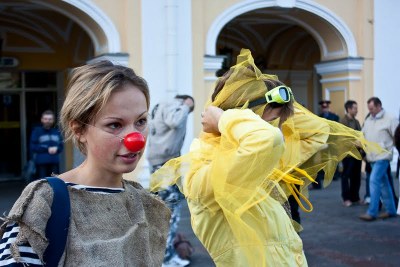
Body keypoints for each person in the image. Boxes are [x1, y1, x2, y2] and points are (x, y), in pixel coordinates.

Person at [151, 49, 376, 266]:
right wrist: (225, 118)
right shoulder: (207, 167)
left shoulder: (256, 156)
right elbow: (266, 139)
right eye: (268, 122)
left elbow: (317, 134)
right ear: (242, 115)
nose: (277, 130)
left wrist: (280, 106)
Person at [0, 60, 170, 266]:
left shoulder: (147, 204)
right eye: (115, 125)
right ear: (79, 130)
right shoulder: (45, 201)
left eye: (141, 121)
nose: (136, 139)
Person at [146, 94, 195, 267]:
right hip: (165, 164)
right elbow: (175, 121)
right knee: (170, 212)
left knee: (163, 210)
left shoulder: (161, 105)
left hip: (161, 163)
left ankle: (163, 256)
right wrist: (187, 106)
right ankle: (166, 260)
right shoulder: (174, 105)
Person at [359, 97, 399, 221]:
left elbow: (398, 135)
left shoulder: (391, 118)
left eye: (372, 109)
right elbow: (362, 135)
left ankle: (372, 212)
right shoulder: (369, 120)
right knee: (383, 183)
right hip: (371, 157)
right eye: (369, 109)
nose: (370, 111)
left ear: (378, 106)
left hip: (383, 156)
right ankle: (391, 210)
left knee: (373, 180)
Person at [313, 100, 340, 188]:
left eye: (326, 107)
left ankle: (334, 175)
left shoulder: (335, 116)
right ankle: (323, 175)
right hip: (323, 141)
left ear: (328, 107)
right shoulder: (319, 117)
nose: (324, 108)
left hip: (332, 141)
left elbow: (337, 129)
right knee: (323, 159)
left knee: (333, 158)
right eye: (323, 107)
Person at [29, 110, 63, 180]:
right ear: (42, 120)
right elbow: (33, 147)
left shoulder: (56, 132)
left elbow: (61, 146)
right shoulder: (36, 131)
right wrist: (47, 148)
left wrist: (57, 148)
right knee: (42, 185)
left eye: (50, 119)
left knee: (55, 183)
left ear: (53, 120)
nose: (48, 121)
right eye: (46, 119)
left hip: (54, 163)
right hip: (41, 164)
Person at [340, 100, 362, 207]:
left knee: (356, 176)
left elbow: (360, 135)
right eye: (355, 108)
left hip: (357, 154)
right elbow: (343, 138)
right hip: (348, 155)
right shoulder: (343, 121)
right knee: (346, 176)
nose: (356, 110)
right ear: (349, 109)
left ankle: (355, 197)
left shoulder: (356, 121)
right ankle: (346, 198)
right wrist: (355, 143)